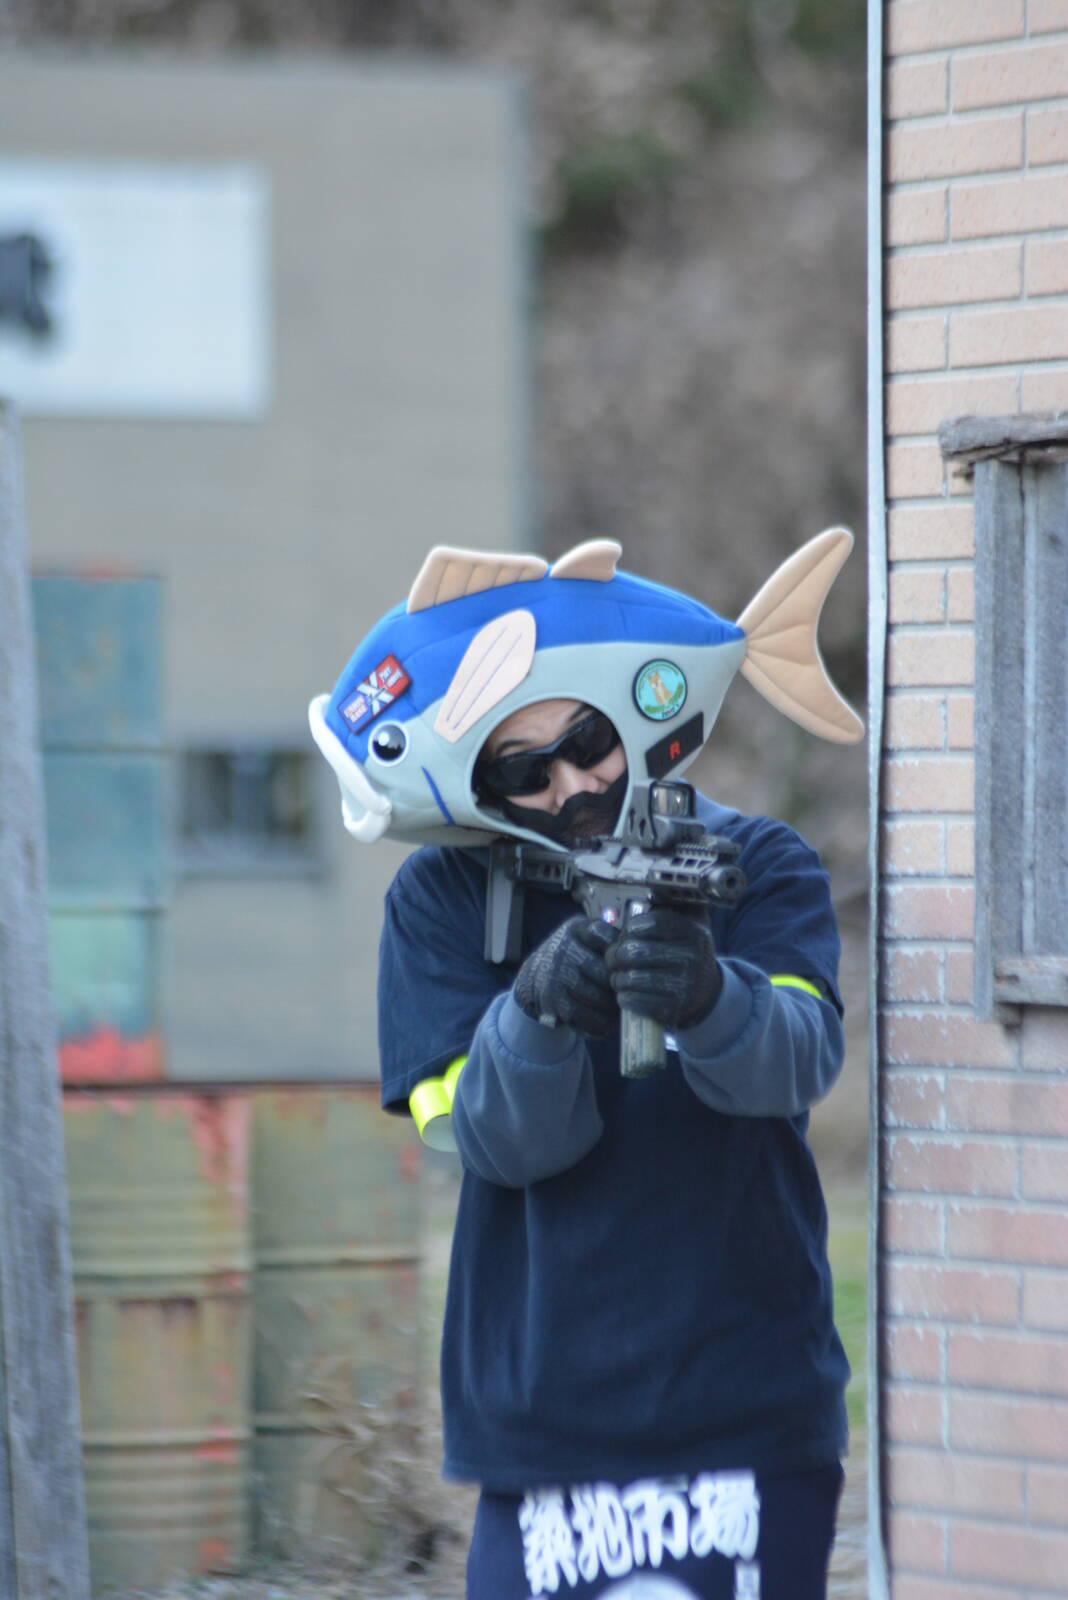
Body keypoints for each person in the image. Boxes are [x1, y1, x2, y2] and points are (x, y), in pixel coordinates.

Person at [310, 536, 862, 1600]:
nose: (571, 784)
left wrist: (710, 998)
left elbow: (797, 1064)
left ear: (631, 719)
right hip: (540, 1424)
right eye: (523, 771)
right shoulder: (439, 901)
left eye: (588, 742)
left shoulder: (761, 863)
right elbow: (498, 1142)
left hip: (749, 1405)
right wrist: (538, 1011)